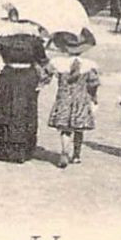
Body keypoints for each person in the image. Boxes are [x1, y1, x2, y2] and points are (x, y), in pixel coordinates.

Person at [0, 20, 52, 163]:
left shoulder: (2, 40)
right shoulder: (35, 42)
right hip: (28, 78)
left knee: (6, 109)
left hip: (8, 76)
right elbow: (44, 61)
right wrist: (46, 76)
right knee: (25, 111)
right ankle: (23, 149)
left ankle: (2, 149)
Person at [46, 31, 100, 169]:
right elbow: (93, 83)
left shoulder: (58, 62)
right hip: (81, 98)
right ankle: (76, 155)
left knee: (65, 128)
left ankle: (64, 152)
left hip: (64, 97)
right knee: (79, 128)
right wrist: (94, 97)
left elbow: (45, 75)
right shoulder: (89, 65)